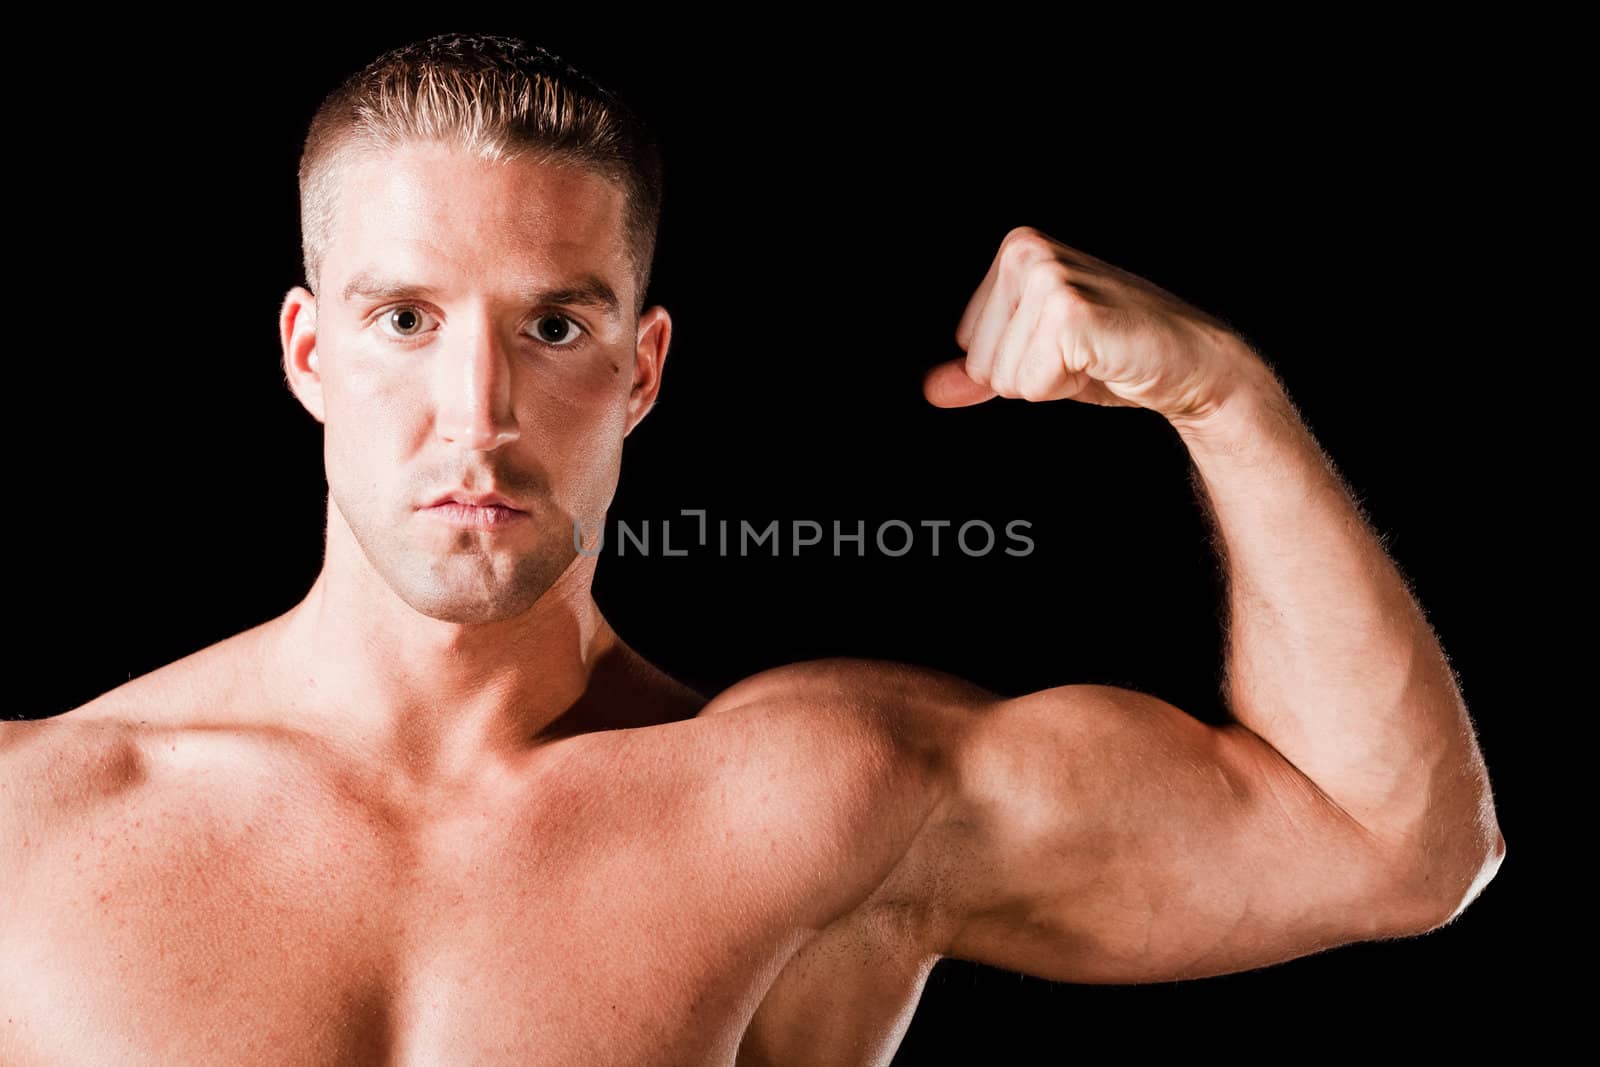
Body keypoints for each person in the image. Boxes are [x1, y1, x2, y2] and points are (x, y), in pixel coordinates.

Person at [0, 31, 1506, 1066]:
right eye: (405, 320)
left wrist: (1219, 394)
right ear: (308, 353)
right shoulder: (28, 825)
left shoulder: (816, 799)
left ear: (642, 367)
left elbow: (1397, 847)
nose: (479, 412)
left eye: (555, 326)